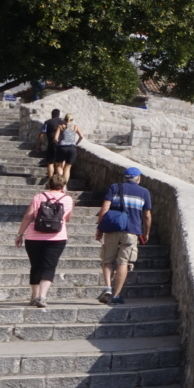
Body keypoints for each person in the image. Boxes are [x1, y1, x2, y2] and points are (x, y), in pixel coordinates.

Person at [96, 166, 153, 305]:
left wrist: (100, 228)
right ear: (138, 178)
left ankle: (108, 287)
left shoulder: (114, 188)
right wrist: (146, 233)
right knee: (123, 262)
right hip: (131, 231)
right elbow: (147, 216)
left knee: (108, 260)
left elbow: (104, 208)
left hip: (112, 229)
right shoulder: (144, 192)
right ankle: (116, 295)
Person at [15, 176, 73, 308]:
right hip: (57, 238)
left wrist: (20, 234)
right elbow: (68, 218)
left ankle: (35, 297)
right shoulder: (68, 199)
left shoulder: (38, 197)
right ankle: (42, 296)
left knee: (35, 265)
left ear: (48, 184)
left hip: (33, 237)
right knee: (49, 266)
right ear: (63, 186)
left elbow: (28, 216)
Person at [52, 114, 83, 187]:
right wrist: (76, 143)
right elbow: (81, 136)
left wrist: (58, 143)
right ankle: (64, 185)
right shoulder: (75, 127)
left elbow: (55, 138)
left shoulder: (60, 126)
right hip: (72, 148)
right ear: (72, 120)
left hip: (62, 147)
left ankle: (59, 182)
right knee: (67, 167)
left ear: (64, 120)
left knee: (59, 166)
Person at [39, 108, 62, 178]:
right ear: (59, 115)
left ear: (52, 115)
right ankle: (60, 180)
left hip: (51, 144)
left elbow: (41, 134)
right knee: (59, 165)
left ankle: (51, 179)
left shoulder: (47, 122)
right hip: (61, 145)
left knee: (50, 163)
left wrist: (38, 144)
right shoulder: (63, 122)